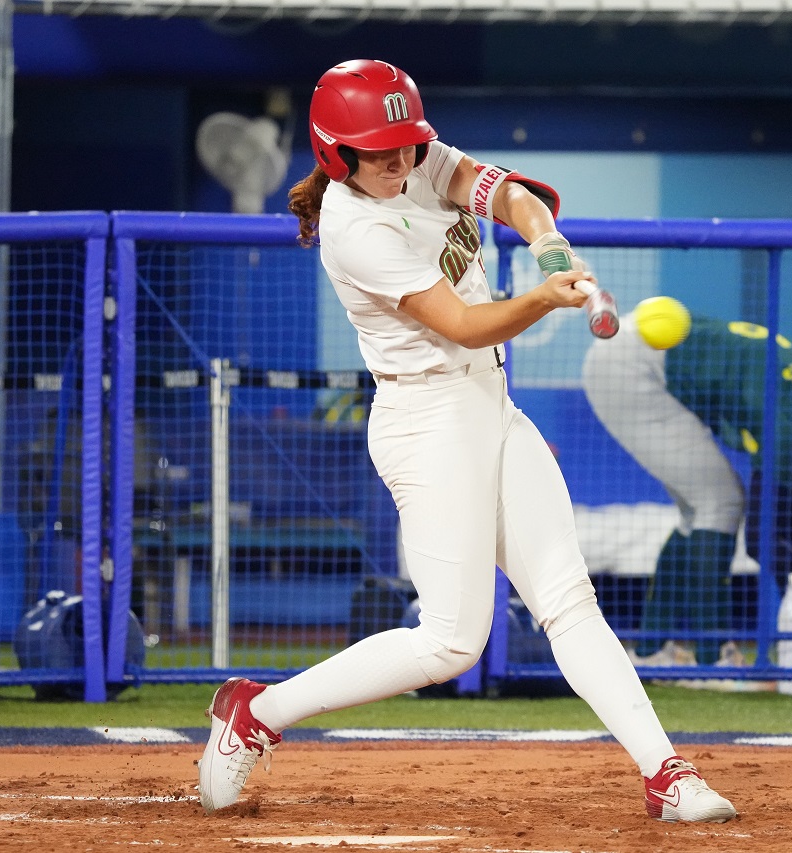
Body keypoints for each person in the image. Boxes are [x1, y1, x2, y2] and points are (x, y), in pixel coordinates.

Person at [196, 59, 736, 824]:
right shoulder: (355, 228)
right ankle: (257, 712)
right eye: (376, 148)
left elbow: (506, 193)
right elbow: (461, 323)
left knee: (570, 601)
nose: (398, 159)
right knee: (452, 642)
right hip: (426, 422)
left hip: (489, 402)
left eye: (404, 143)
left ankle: (666, 773)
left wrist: (547, 241)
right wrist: (545, 296)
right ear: (334, 151)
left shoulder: (418, 158)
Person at [581, 310, 792, 668]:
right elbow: (761, 540)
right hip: (632, 367)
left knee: (704, 507)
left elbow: (783, 533)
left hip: (640, 350)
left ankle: (651, 651)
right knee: (719, 502)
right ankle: (714, 660)